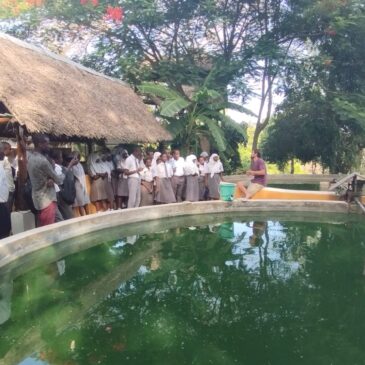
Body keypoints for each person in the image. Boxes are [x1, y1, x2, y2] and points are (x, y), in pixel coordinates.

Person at [27, 134, 65, 226]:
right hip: (47, 200)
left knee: (60, 224)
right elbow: (59, 180)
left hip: (38, 199)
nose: (49, 146)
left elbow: (41, 175)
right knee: (48, 231)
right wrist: (64, 172)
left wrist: (50, 177)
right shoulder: (43, 161)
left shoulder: (30, 158)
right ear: (40, 144)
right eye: (47, 144)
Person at [50, 149, 75, 221]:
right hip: (59, 194)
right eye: (60, 157)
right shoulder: (57, 167)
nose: (62, 159)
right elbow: (60, 180)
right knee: (69, 216)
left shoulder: (57, 167)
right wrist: (70, 165)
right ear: (55, 159)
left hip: (57, 195)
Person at [0, 142, 15, 211]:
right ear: (4, 149)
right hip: (6, 192)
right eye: (10, 149)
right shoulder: (3, 161)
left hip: (9, 190)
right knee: (6, 211)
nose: (11, 150)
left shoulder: (5, 160)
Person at [0, 143, 11, 238]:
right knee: (4, 230)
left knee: (6, 228)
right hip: (1, 203)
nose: (3, 153)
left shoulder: (1, 165)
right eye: (1, 151)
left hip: (3, 202)